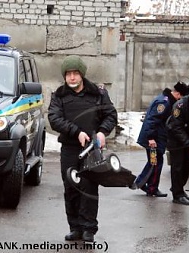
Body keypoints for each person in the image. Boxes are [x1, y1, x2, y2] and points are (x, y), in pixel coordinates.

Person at [48, 55, 117, 242]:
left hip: (92, 149)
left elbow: (110, 115)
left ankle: (88, 229)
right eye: (68, 74)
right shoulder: (59, 95)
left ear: (82, 75)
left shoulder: (99, 93)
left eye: (75, 74)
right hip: (70, 148)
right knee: (71, 186)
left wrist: (102, 132)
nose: (71, 78)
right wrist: (76, 131)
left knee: (89, 187)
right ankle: (75, 227)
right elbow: (54, 119)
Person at [132, 82, 189, 197]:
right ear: (178, 94)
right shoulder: (164, 102)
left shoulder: (166, 100)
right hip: (154, 140)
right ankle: (150, 188)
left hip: (156, 138)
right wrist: (151, 138)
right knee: (156, 162)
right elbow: (152, 120)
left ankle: (142, 183)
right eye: (182, 97)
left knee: (154, 162)